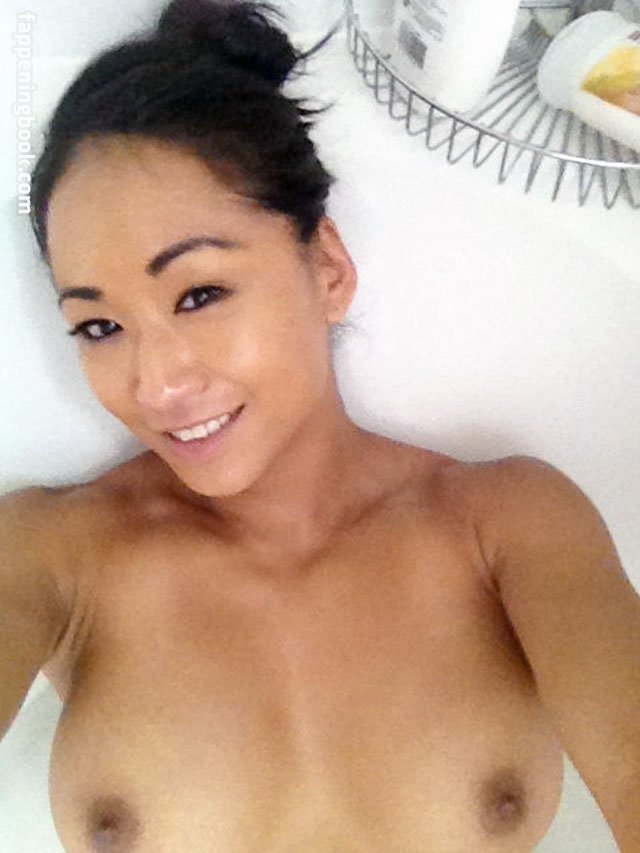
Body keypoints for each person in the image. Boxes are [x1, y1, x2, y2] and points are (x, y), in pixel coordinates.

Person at [2, 1, 640, 850]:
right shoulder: (47, 553)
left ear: (329, 269)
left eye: (199, 293)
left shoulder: (510, 524)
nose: (155, 383)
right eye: (99, 326)